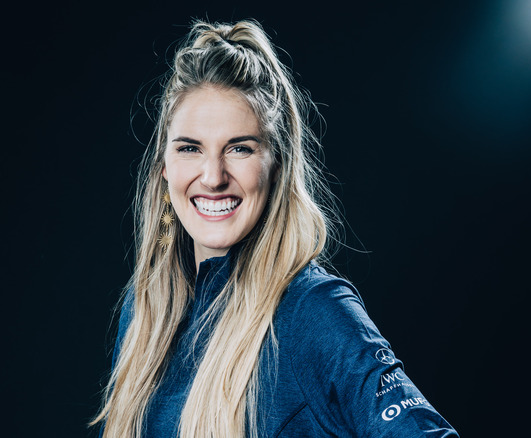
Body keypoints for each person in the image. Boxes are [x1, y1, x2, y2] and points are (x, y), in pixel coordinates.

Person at [91, 19, 458, 437]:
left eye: (240, 148)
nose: (213, 176)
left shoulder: (312, 311)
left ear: (276, 165)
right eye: (190, 148)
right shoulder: (144, 315)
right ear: (164, 167)